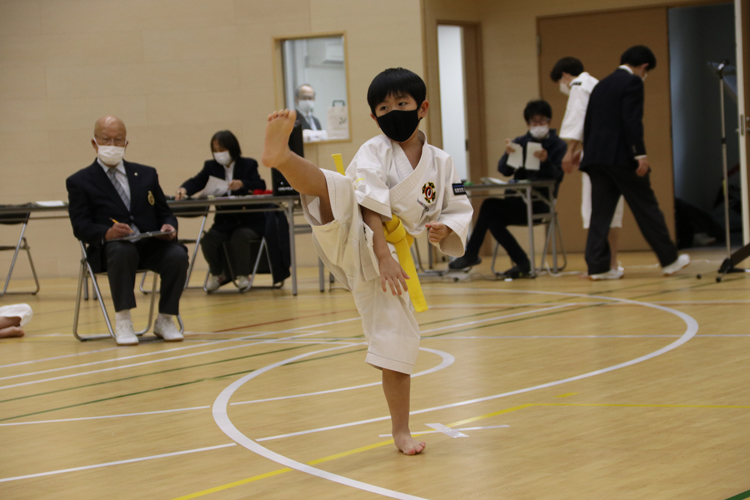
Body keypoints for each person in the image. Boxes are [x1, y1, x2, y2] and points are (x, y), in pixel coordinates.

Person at [261, 68, 473, 455]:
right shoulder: (373, 151)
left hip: (389, 251)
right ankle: (284, 157)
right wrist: (381, 254)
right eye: (384, 107)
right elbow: (369, 204)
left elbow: (458, 206)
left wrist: (444, 227)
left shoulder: (441, 162)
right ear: (374, 117)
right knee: (339, 186)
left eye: (402, 104)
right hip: (362, 236)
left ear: (422, 107)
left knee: (399, 343)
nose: (394, 111)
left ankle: (401, 429)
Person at [66, 116, 188, 346]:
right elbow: (80, 225)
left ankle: (165, 319)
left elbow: (165, 212)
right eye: (106, 140)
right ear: (94, 143)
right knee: (122, 251)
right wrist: (106, 233)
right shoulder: (79, 181)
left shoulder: (147, 174)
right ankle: (123, 321)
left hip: (148, 245)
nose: (112, 145)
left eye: (118, 140)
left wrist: (169, 226)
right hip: (110, 252)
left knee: (177, 255)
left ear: (126, 144)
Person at [581, 45, 690, 279]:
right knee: (646, 206)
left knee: (600, 213)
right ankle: (669, 259)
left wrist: (590, 157)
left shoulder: (601, 85)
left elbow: (588, 124)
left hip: (596, 158)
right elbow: (631, 120)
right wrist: (639, 153)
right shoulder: (633, 83)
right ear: (644, 66)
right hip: (620, 157)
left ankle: (598, 267)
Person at [448, 100, 566, 278]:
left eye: (542, 121)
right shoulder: (520, 142)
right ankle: (521, 263)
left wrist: (546, 161)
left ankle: (473, 254)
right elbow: (504, 170)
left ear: (549, 121)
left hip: (540, 203)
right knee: (491, 214)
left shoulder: (559, 145)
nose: (538, 125)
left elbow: (557, 176)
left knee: (489, 209)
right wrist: (508, 156)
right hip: (517, 200)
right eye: (534, 122)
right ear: (528, 124)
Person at [551, 56, 624, 274]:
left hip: (599, 162)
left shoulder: (579, 86)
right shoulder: (596, 84)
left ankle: (602, 264)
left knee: (595, 211)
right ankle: (612, 262)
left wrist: (570, 151)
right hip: (613, 155)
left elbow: (579, 121)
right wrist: (581, 150)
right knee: (612, 212)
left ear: (565, 76)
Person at [175, 131, 267, 291]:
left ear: (232, 148)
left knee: (241, 237)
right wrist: (184, 189)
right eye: (215, 150)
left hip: (248, 220)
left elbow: (260, 184)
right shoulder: (211, 166)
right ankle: (218, 274)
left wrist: (243, 184)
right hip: (224, 221)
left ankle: (243, 275)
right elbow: (197, 181)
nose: (219, 154)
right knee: (208, 241)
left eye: (222, 149)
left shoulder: (248, 164)